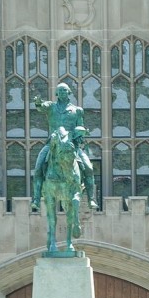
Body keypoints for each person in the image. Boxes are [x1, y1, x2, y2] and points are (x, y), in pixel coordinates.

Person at [31, 82, 97, 212]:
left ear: (69, 92)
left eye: (64, 90)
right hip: (52, 144)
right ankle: (37, 199)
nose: (62, 92)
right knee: (38, 168)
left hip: (72, 145)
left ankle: (91, 198)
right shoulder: (51, 107)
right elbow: (41, 107)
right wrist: (38, 103)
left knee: (89, 168)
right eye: (60, 90)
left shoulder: (77, 110)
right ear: (56, 93)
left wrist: (81, 133)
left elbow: (80, 126)